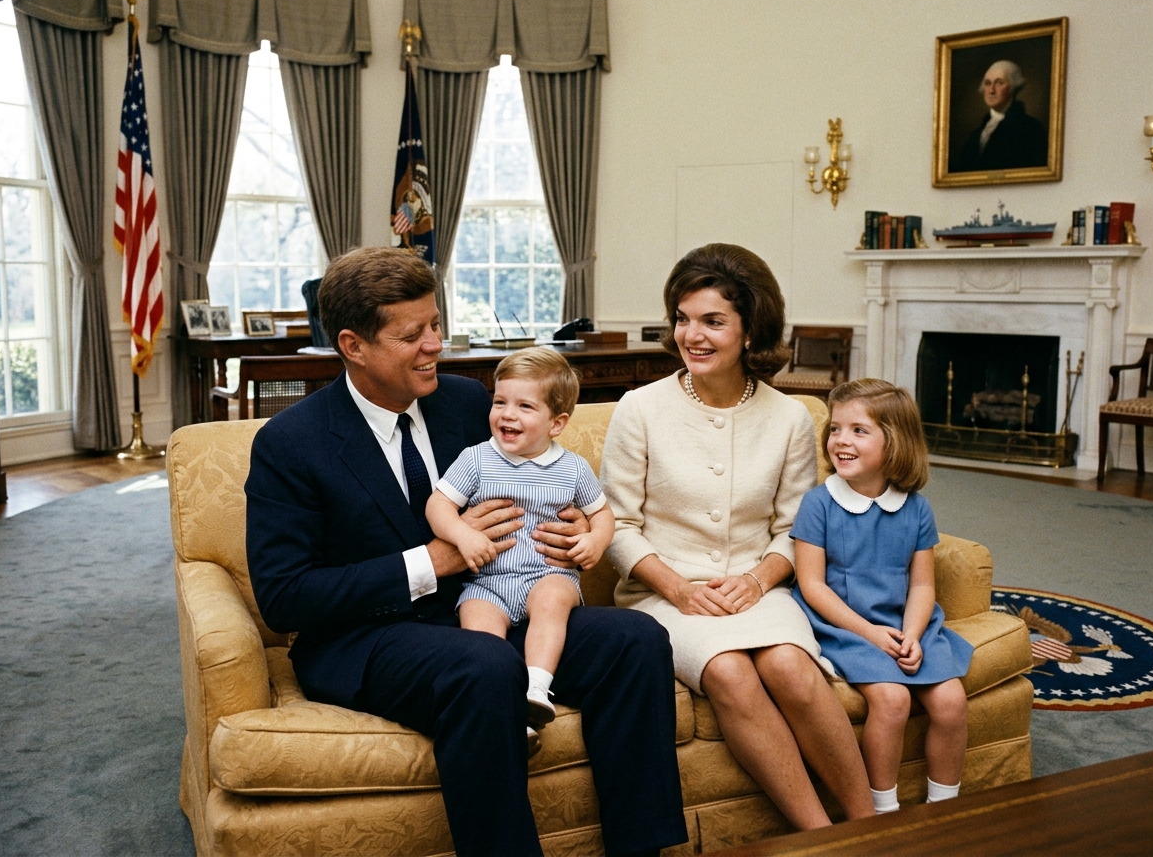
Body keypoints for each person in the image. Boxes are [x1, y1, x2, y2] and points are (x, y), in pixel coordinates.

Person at [244, 247, 686, 857]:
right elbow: (284, 597)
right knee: (484, 667)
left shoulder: (463, 401)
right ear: (353, 345)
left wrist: (572, 528)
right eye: (412, 335)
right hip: (368, 638)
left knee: (635, 641)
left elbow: (531, 475)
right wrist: (432, 560)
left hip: (491, 605)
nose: (435, 344)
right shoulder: (290, 443)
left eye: (434, 325)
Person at [600, 243, 875, 830]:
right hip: (662, 592)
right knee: (727, 668)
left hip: (760, 585)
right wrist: (676, 588)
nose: (691, 335)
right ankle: (821, 837)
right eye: (682, 318)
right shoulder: (638, 408)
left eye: (712, 321)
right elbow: (616, 526)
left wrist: (756, 580)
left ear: (751, 331)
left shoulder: (792, 417)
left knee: (790, 667)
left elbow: (797, 530)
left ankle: (873, 826)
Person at [792, 378, 973, 814]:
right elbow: (812, 586)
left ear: (895, 443)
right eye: (835, 428)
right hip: (844, 626)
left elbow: (922, 585)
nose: (841, 440)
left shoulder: (915, 508)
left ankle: (944, 808)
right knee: (891, 700)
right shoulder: (818, 504)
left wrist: (911, 634)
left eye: (859, 430)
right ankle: (882, 813)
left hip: (906, 622)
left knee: (951, 701)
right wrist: (872, 634)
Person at [426, 347, 615, 729]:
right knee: (477, 628)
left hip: (546, 575)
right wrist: (462, 534)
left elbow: (603, 514)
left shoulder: (572, 468)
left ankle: (536, 689)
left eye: (525, 407)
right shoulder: (477, 459)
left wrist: (595, 542)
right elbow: (438, 505)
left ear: (556, 423)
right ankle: (506, 702)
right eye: (499, 402)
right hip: (487, 581)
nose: (507, 414)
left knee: (552, 601)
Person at [953, 59, 1048, 171]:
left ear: (1013, 87)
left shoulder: (1031, 129)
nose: (991, 90)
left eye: (999, 83)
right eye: (987, 83)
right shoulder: (976, 135)